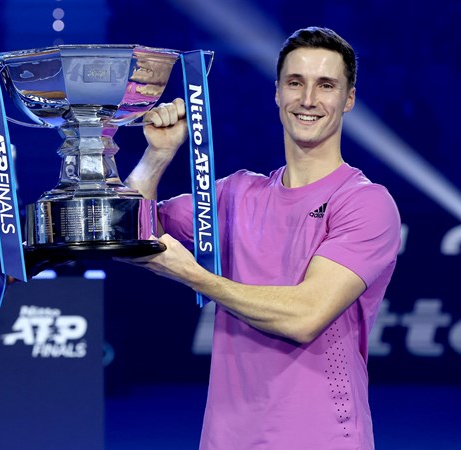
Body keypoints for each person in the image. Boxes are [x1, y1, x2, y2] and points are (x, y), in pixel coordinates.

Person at [122, 27, 401, 449]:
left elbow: (304, 317)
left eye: (325, 85)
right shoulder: (235, 194)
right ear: (276, 93)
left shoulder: (366, 203)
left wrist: (195, 276)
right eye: (295, 83)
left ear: (348, 99)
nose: (308, 99)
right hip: (226, 439)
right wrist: (156, 156)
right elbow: (129, 235)